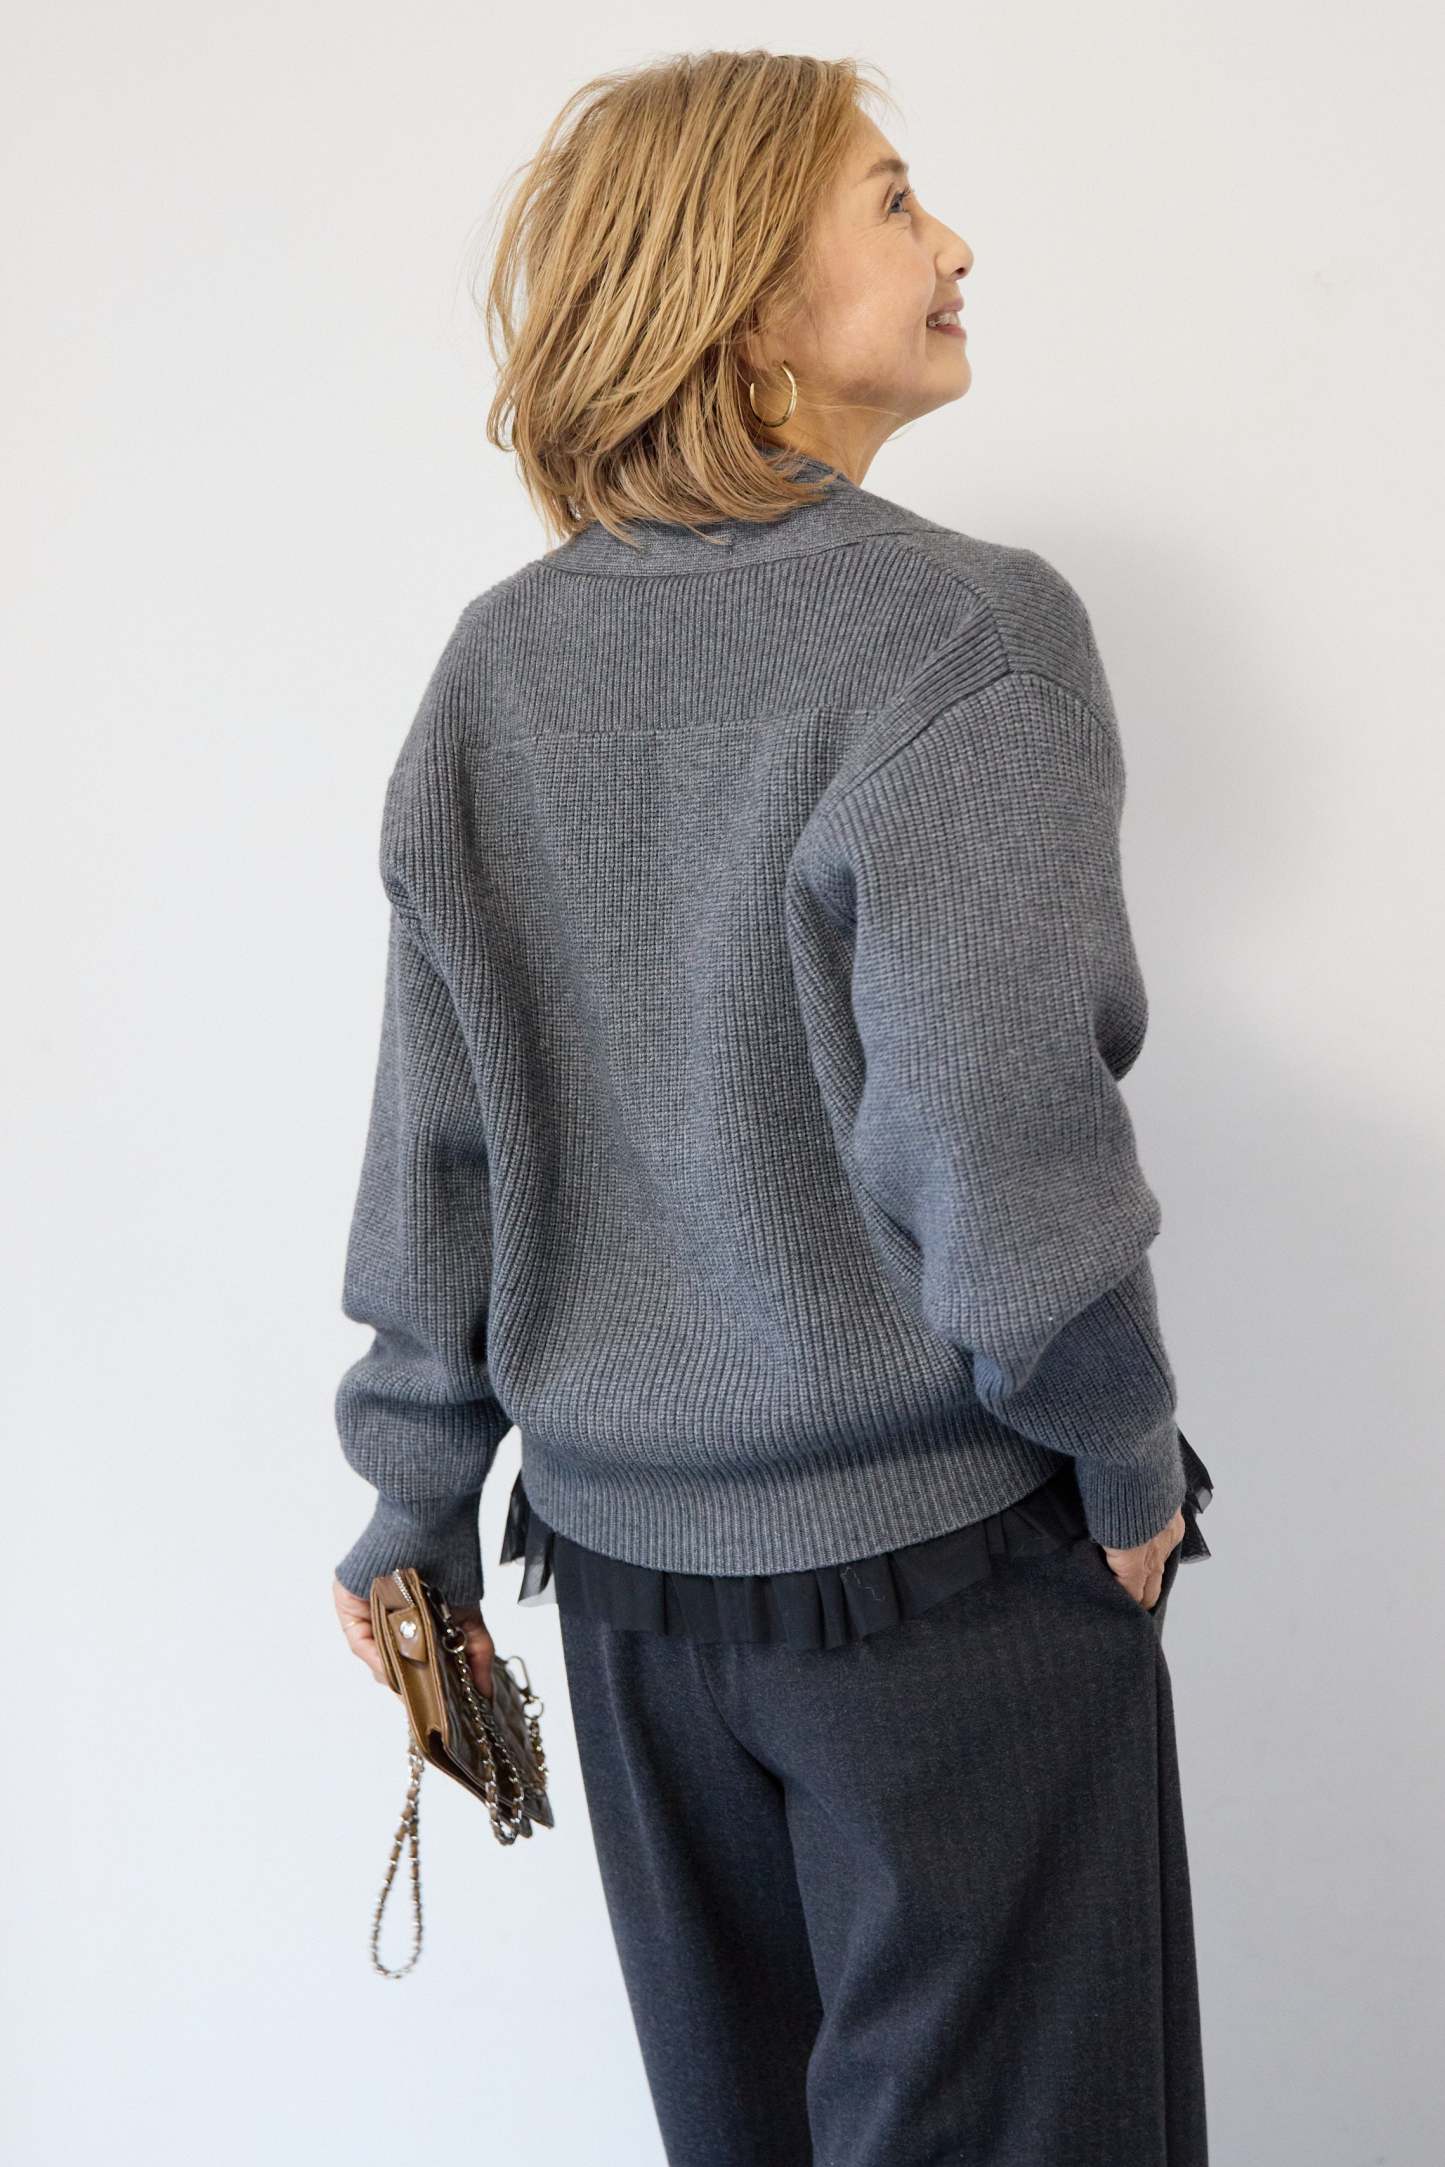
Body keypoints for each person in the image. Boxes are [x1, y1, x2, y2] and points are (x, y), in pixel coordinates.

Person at [330, 49, 1214, 2165]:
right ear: (744, 301)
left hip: (629, 1609)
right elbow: (996, 1132)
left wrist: (412, 1504)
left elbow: (440, 1138)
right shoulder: (962, 637)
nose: (953, 243)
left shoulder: (497, 667)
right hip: (947, 1590)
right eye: (894, 203)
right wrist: (1122, 1455)